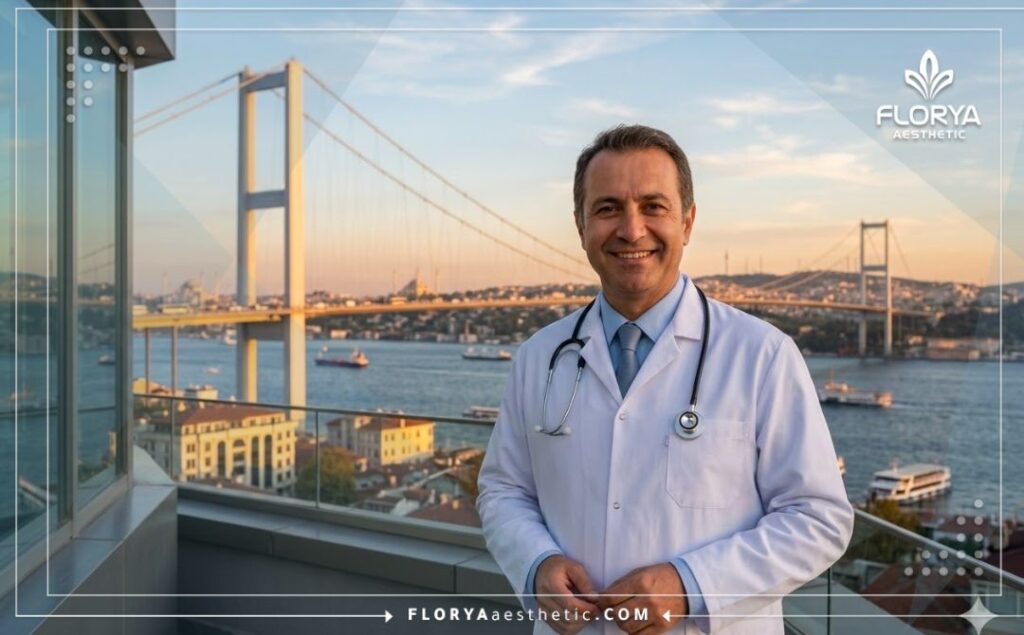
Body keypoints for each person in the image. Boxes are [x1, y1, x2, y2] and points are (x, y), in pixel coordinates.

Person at [476, 124, 854, 634]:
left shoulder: (763, 355)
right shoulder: (538, 357)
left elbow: (819, 518)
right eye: (608, 208)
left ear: (689, 221)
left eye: (653, 206)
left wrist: (692, 585)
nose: (631, 230)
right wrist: (535, 564)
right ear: (580, 224)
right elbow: (503, 490)